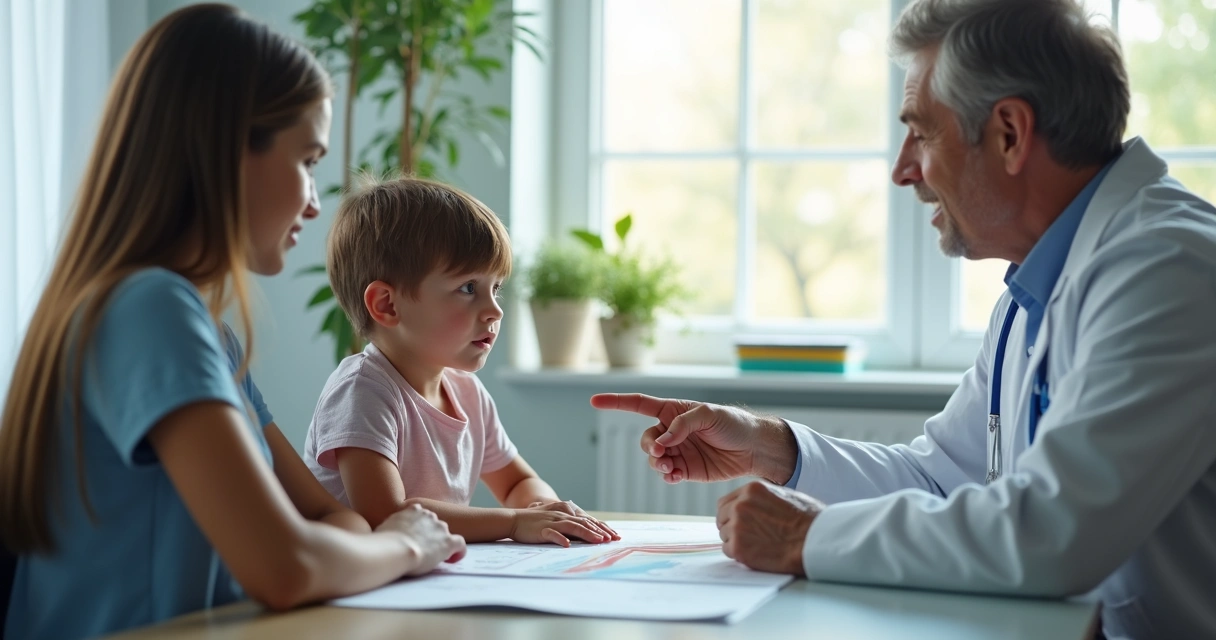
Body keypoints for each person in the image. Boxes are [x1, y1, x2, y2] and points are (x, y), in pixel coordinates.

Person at [592, 0, 1216, 637]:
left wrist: (806, 538)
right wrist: (768, 445)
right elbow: (939, 481)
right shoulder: (1038, 287)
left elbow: (1055, 532)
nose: (901, 169)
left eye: (922, 131)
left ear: (1009, 133)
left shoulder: (1170, 270)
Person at [0, 5, 466, 638]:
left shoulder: (207, 333)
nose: (312, 199)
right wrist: (408, 542)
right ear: (224, 152)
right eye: (306, 160)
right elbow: (288, 564)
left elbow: (330, 520)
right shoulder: (149, 311)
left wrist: (339, 543)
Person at [304, 176, 618, 548]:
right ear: (387, 305)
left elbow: (516, 482)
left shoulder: (467, 391)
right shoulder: (362, 391)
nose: (494, 310)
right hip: (355, 589)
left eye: (496, 288)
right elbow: (389, 515)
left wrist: (543, 508)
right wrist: (516, 522)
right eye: (468, 288)